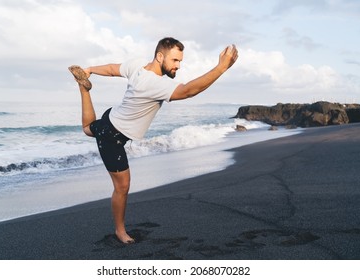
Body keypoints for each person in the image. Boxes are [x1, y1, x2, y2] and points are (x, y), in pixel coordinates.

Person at [69, 37, 238, 243]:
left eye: (180, 61)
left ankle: (84, 88)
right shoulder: (155, 84)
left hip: (112, 117)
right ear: (160, 56)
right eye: (175, 60)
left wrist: (90, 69)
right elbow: (188, 90)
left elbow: (113, 69)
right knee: (122, 187)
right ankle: (120, 231)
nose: (178, 66)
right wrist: (220, 68)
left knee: (89, 129)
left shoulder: (138, 65)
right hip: (112, 136)